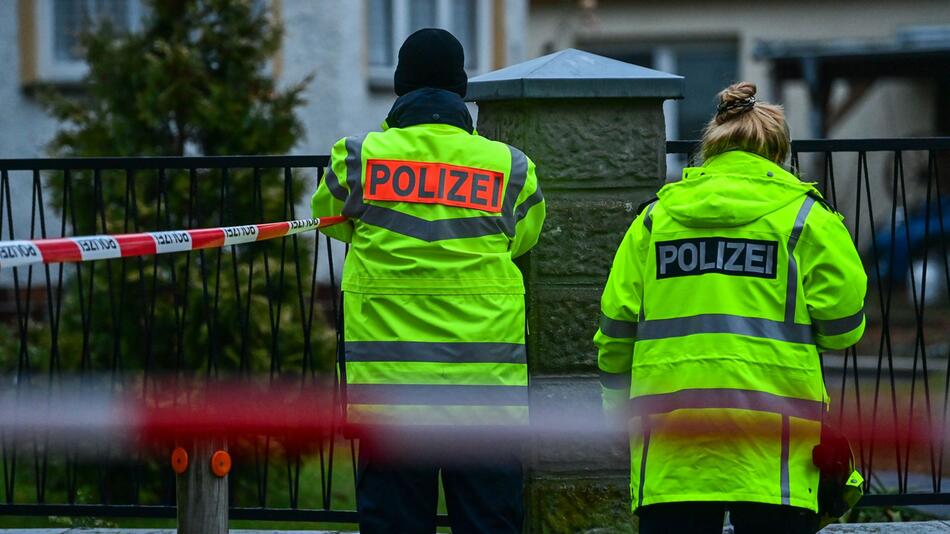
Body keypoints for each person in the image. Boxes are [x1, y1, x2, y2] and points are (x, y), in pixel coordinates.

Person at [593, 82, 866, 534]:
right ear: (779, 152)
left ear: (710, 148)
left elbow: (616, 333)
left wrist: (616, 414)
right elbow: (842, 328)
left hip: (671, 444)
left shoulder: (653, 221)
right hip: (774, 448)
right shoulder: (805, 219)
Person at [311, 28, 545, 534]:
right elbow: (522, 239)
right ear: (461, 89)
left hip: (388, 397)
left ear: (400, 84)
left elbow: (331, 220)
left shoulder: (357, 158)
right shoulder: (512, 169)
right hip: (486, 396)